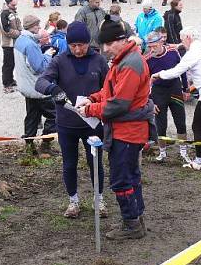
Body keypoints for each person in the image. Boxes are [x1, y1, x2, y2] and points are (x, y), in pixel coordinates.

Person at [78, 17, 152, 239]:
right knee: (131, 175)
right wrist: (92, 98)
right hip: (126, 130)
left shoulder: (130, 64)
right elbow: (110, 92)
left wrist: (91, 110)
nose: (105, 49)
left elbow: (119, 103)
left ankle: (131, 224)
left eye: (109, 44)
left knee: (121, 178)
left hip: (128, 131)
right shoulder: (124, 60)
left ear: (121, 40)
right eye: (103, 44)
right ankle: (137, 218)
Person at [36, 21, 110, 218]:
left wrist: (96, 100)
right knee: (69, 164)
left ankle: (98, 198)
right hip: (66, 123)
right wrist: (53, 89)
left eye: (81, 45)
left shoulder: (99, 61)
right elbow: (40, 82)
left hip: (92, 123)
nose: (77, 49)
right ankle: (73, 201)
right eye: (73, 45)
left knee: (95, 163)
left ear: (88, 43)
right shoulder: (60, 60)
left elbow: (110, 88)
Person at [153, 27, 201, 170]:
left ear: (189, 37)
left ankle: (199, 161)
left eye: (183, 40)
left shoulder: (192, 53)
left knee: (197, 126)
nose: (182, 43)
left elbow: (177, 71)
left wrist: (159, 74)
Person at [144, 31, 189, 163]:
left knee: (180, 122)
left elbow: (183, 70)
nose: (152, 49)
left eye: (154, 46)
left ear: (161, 42)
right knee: (161, 124)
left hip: (175, 89)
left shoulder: (172, 52)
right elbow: (145, 83)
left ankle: (183, 151)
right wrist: (150, 100)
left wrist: (185, 89)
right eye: (150, 47)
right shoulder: (147, 59)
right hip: (158, 92)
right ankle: (162, 153)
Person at [15, 14, 57, 153]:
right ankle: (46, 144)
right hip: (38, 88)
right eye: (37, 26)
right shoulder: (30, 45)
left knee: (32, 116)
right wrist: (48, 54)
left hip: (26, 87)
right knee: (54, 115)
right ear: (32, 27)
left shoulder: (20, 40)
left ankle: (29, 144)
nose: (39, 28)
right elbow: (39, 68)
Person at [0, 0, 22, 93]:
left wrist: (21, 31)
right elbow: (6, 29)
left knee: (13, 62)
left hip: (15, 42)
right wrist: (17, 33)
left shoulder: (13, 11)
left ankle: (11, 80)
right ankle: (6, 83)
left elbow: (17, 23)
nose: (16, 1)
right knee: (8, 64)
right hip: (8, 43)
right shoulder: (5, 13)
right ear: (9, 1)